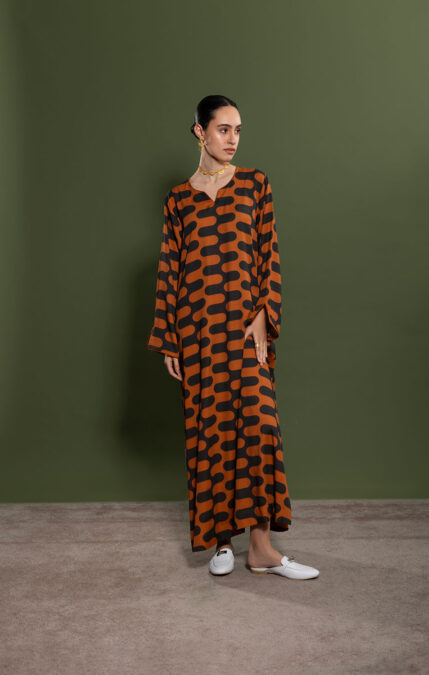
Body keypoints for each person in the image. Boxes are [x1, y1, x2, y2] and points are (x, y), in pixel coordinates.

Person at [147, 95, 319, 581]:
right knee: (212, 431)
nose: (232, 139)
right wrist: (168, 339)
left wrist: (264, 315)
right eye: (223, 129)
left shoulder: (255, 184)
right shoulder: (178, 199)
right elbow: (170, 268)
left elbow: (269, 252)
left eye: (238, 130)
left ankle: (261, 549)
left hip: (245, 326)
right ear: (199, 132)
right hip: (198, 331)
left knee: (259, 426)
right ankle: (222, 542)